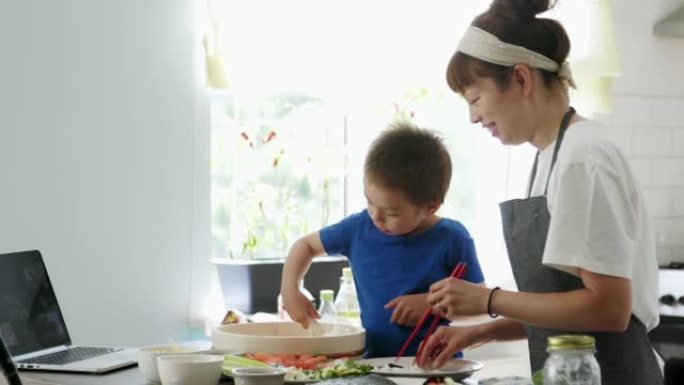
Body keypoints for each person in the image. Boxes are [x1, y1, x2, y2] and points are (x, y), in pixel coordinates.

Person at [415, 0, 663, 384]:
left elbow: (609, 308)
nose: (474, 117)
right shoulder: (550, 158)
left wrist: (487, 300)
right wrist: (482, 331)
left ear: (520, 79)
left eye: (475, 98)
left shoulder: (583, 156)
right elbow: (565, 304)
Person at [280, 121, 484, 358]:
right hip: (374, 363)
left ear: (430, 206)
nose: (376, 217)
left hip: (435, 365)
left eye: (391, 212)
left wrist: (433, 306)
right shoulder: (358, 228)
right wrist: (290, 288)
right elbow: (305, 246)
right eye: (369, 202)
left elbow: (480, 306)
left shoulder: (453, 238)